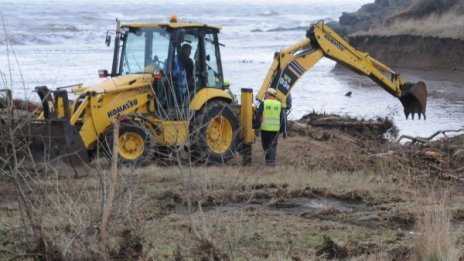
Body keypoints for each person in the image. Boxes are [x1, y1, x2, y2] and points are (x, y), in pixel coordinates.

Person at [253, 88, 284, 166]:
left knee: (266, 145)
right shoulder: (279, 104)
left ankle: (269, 162)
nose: (264, 95)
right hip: (275, 129)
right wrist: (281, 129)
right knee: (272, 145)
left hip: (265, 128)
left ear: (268, 94)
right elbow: (282, 118)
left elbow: (258, 115)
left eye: (265, 93)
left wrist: (256, 126)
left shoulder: (264, 103)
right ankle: (270, 162)